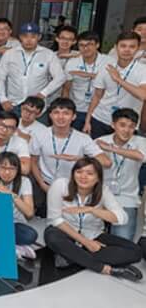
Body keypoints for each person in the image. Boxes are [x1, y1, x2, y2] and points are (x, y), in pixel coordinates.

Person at [44, 157, 142, 281]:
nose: (83, 176)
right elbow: (55, 219)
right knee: (52, 236)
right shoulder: (60, 185)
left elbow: (122, 218)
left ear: (98, 178)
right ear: (73, 174)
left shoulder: (103, 190)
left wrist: (92, 210)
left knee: (135, 251)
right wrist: (86, 242)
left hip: (93, 234)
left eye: (90, 173)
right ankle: (104, 268)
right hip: (66, 232)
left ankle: (72, 256)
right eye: (79, 172)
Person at [30, 98, 110, 216]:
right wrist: (42, 184)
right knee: (42, 216)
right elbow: (33, 162)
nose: (61, 117)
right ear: (50, 115)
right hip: (45, 183)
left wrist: (78, 159)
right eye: (56, 113)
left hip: (72, 186)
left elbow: (107, 162)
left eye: (66, 113)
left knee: (71, 217)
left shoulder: (83, 138)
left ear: (74, 116)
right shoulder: (39, 134)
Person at [94, 108, 146, 241]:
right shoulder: (100, 141)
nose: (126, 130)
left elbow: (140, 156)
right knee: (90, 237)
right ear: (113, 125)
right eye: (122, 125)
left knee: (123, 241)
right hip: (100, 195)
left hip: (127, 197)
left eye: (131, 126)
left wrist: (111, 148)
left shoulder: (140, 142)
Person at [84, 31, 146, 139]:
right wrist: (87, 120)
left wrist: (119, 80)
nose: (127, 50)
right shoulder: (106, 67)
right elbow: (97, 96)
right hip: (100, 119)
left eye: (132, 46)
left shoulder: (142, 70)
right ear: (116, 47)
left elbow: (143, 95)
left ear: (137, 49)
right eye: (123, 46)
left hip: (128, 124)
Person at [0, 23, 65, 116]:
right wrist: (3, 99)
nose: (29, 40)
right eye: (25, 36)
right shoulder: (9, 54)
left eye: (33, 36)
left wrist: (43, 93)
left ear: (39, 37)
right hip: (13, 105)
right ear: (20, 37)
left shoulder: (48, 54)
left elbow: (60, 77)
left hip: (37, 107)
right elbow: (0, 78)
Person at [0, 152, 37, 259]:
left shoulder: (25, 181)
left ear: (18, 170)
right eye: (3, 167)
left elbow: (29, 213)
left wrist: (9, 194)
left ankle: (7, 245)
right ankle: (13, 247)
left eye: (12, 169)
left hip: (14, 223)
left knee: (30, 235)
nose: (7, 172)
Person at [62, 31, 114, 131]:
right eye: (81, 45)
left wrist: (87, 74)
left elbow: (114, 81)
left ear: (97, 45)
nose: (85, 48)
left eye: (89, 44)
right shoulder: (72, 62)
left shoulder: (109, 61)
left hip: (99, 111)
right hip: (77, 108)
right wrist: (66, 109)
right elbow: (66, 88)